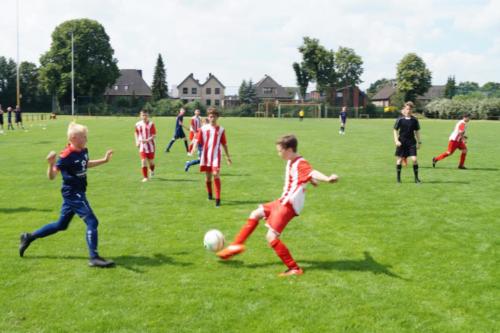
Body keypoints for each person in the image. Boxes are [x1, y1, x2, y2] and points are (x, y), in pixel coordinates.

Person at [216, 134, 338, 276]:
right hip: (282, 201)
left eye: (280, 150)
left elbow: (312, 172)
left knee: (271, 237)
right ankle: (236, 246)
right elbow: (306, 175)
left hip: (288, 205)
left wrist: (327, 179)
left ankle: (294, 268)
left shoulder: (300, 163)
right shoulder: (292, 161)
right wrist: (310, 180)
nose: (278, 153)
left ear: (289, 149)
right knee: (255, 214)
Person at [19, 122, 115, 268]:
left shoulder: (83, 150)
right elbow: (52, 176)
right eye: (84, 137)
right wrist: (50, 164)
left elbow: (85, 163)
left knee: (61, 225)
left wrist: (104, 160)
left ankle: (29, 237)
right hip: (72, 193)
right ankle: (94, 257)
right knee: (92, 222)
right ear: (74, 137)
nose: (86, 139)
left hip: (78, 192)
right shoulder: (66, 156)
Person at [190, 107, 231, 207]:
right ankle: (209, 194)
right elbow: (198, 140)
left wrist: (228, 157)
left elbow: (224, 144)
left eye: (214, 116)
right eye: (210, 116)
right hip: (206, 156)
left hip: (216, 156)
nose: (212, 118)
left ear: (217, 117)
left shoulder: (221, 130)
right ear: (208, 117)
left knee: (216, 174)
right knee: (208, 178)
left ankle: (218, 199)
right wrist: (193, 148)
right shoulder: (203, 129)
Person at [393, 101, 421, 183]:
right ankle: (398, 179)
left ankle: (416, 178)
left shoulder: (415, 120)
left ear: (412, 110)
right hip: (401, 142)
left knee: (414, 159)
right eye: (407, 109)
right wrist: (396, 140)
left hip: (411, 142)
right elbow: (395, 130)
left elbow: (417, 132)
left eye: (410, 109)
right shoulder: (400, 119)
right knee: (399, 160)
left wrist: (419, 142)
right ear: (404, 109)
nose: (408, 110)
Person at [135, 110, 157, 182]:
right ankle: (145, 177)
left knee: (151, 162)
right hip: (142, 146)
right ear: (140, 116)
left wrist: (147, 140)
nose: (144, 117)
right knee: (143, 160)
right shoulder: (137, 124)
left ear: (148, 116)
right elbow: (136, 133)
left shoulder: (151, 124)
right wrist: (137, 141)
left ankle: (152, 170)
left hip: (150, 146)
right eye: (143, 115)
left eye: (146, 115)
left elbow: (154, 136)